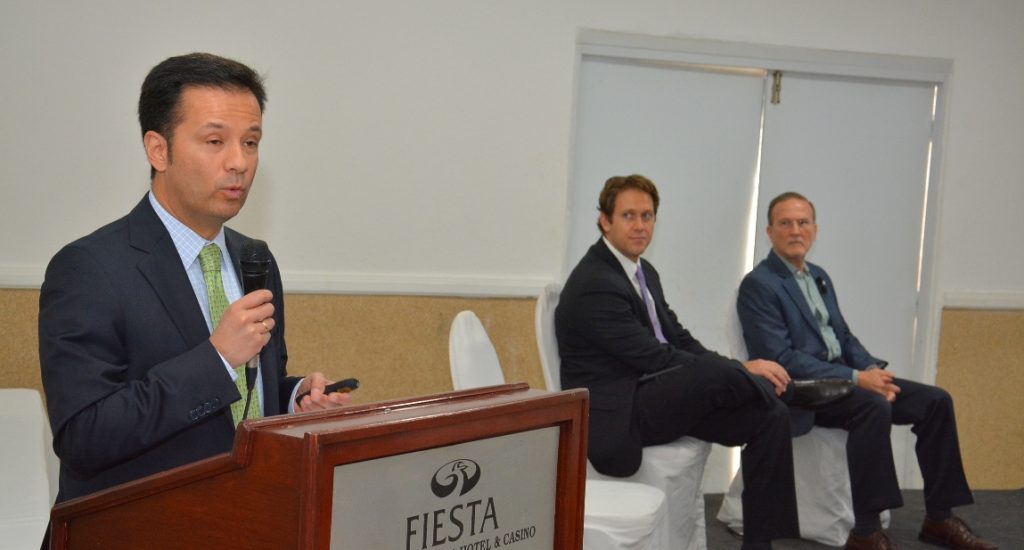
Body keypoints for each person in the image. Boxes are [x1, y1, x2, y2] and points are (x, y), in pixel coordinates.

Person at [38, 53, 352, 513]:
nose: (239, 162)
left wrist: (294, 398)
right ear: (158, 149)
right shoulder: (89, 268)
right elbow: (84, 437)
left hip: (245, 518)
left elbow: (243, 398)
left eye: (251, 142)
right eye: (215, 141)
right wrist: (217, 357)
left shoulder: (255, 259)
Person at [555, 174, 849, 550]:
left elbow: (679, 339)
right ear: (604, 221)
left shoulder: (642, 272)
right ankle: (793, 391)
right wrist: (741, 369)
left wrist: (726, 370)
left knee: (769, 415)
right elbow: (651, 356)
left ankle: (760, 544)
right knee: (712, 373)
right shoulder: (596, 281)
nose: (640, 225)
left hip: (653, 395)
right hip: (620, 410)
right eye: (628, 216)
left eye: (647, 216)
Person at [737, 191, 997, 550]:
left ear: (815, 229)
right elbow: (780, 357)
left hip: (844, 382)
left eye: (803, 222)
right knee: (873, 406)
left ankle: (939, 518)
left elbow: (843, 337)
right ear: (769, 232)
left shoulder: (818, 276)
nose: (796, 230)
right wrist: (858, 379)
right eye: (785, 223)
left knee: (935, 401)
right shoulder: (759, 284)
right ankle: (866, 531)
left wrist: (874, 371)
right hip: (802, 390)